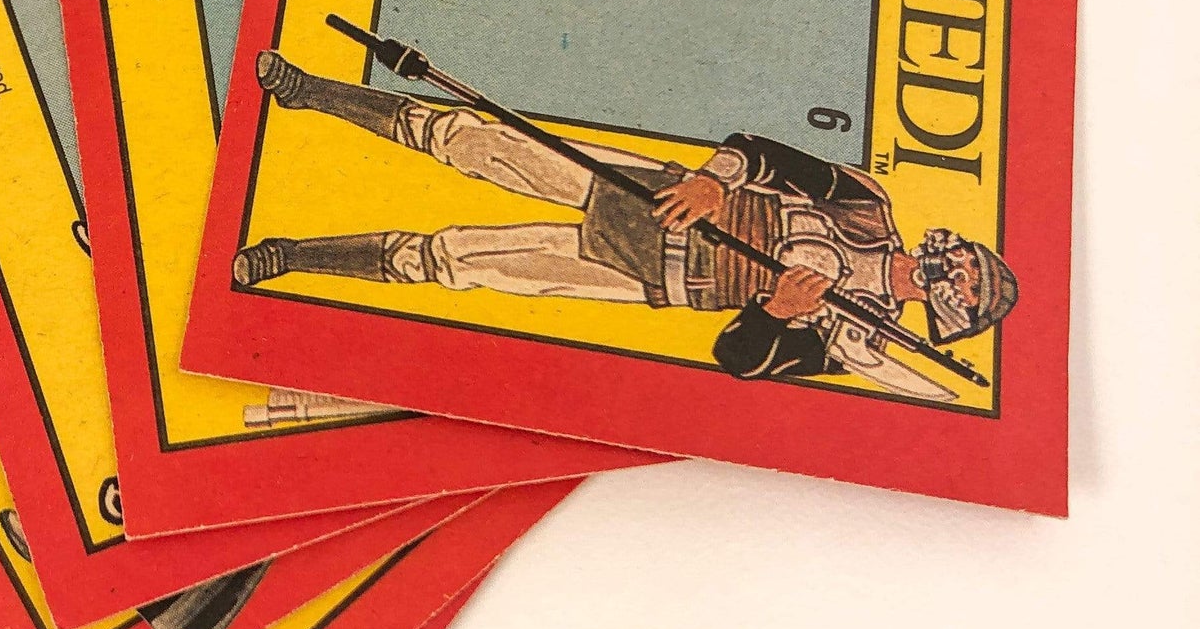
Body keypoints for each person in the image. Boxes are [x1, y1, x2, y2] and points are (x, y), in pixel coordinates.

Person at [232, 51, 1017, 399]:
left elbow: (739, 361)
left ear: (954, 312)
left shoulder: (862, 344)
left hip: (646, 275)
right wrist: (715, 180)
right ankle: (313, 92)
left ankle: (290, 256)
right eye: (968, 260)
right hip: (650, 193)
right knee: (473, 140)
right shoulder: (867, 206)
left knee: (456, 259)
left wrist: (778, 313)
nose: (954, 268)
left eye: (966, 284)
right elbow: (762, 152)